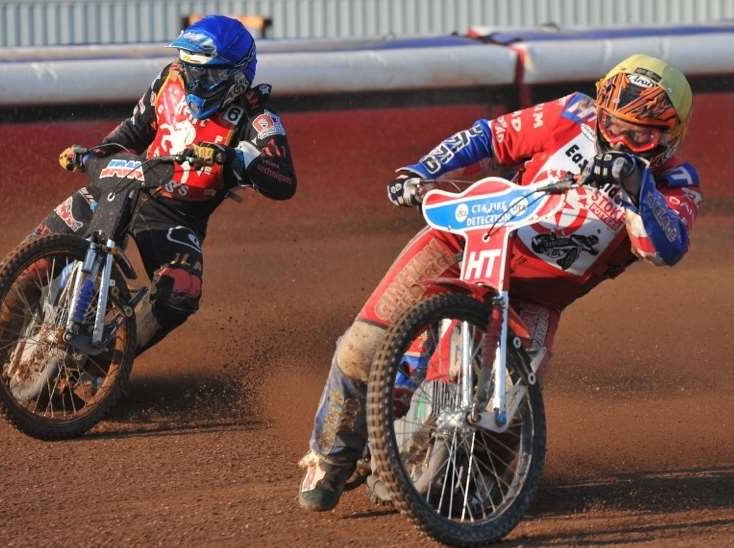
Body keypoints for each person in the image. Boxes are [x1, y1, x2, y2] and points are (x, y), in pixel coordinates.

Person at [298, 53, 701, 511]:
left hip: (536, 295)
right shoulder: (572, 113)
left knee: (509, 407)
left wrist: (638, 189)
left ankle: (481, 480)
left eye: (640, 134)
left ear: (671, 136)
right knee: (362, 346)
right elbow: (490, 136)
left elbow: (662, 249)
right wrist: (422, 171)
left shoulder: (676, 182)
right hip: (462, 240)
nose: (620, 139)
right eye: (612, 125)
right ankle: (329, 456)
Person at [0, 15, 297, 395]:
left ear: (237, 78)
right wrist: (95, 154)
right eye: (189, 68)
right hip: (129, 182)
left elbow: (284, 180)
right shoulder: (169, 82)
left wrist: (234, 161)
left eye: (207, 75)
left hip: (175, 215)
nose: (194, 80)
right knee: (39, 250)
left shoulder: (257, 119)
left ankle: (100, 367)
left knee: (182, 290)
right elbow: (130, 131)